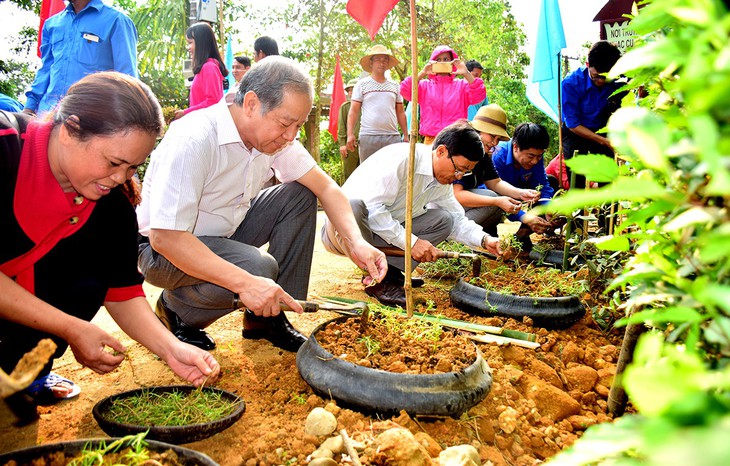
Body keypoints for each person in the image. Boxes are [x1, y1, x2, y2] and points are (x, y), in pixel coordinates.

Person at [0, 72, 220, 423]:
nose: (120, 178)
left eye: (132, 166)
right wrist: (71, 327)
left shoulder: (112, 206)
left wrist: (172, 348)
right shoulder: (5, 145)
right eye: (114, 162)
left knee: (88, 279)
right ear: (71, 130)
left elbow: (122, 292)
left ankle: (21, 368)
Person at [137, 56, 386, 353]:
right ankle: (174, 310)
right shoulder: (195, 138)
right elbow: (166, 237)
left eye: (298, 125)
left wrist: (356, 242)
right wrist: (247, 281)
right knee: (258, 267)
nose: (291, 136)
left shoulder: (273, 139)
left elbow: (327, 188)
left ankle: (268, 318)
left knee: (299, 195)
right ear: (252, 104)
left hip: (224, 234)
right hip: (161, 250)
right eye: (284, 123)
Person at [321, 122, 502, 307]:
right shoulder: (403, 160)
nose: (458, 176)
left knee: (444, 220)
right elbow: (373, 209)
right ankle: (379, 280)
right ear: (440, 151)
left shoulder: (441, 181)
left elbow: (456, 219)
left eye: (465, 172)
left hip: (380, 233)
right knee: (354, 206)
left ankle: (390, 273)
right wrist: (412, 242)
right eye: (459, 168)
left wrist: (485, 240)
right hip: (342, 231)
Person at [23, 0, 137, 117]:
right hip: (48, 114)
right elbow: (46, 69)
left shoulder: (116, 21)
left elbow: (127, 77)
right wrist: (29, 107)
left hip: (91, 116)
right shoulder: (52, 24)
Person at [454, 105, 541, 237]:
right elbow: (456, 194)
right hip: (444, 207)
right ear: (478, 130)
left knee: (498, 202)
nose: (495, 143)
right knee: (493, 198)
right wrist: (496, 201)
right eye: (492, 136)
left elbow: (495, 182)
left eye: (498, 139)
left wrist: (521, 193)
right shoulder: (462, 150)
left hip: (459, 207)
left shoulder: (483, 154)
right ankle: (454, 233)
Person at [562, 40, 624, 189]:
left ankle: (606, 210)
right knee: (577, 178)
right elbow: (573, 124)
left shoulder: (618, 81)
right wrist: (603, 141)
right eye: (596, 76)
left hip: (602, 130)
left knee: (607, 177)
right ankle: (577, 210)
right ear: (587, 65)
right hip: (576, 133)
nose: (601, 81)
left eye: (605, 76)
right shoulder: (571, 83)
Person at [400, 45, 486, 145]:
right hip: (431, 140)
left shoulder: (462, 86)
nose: (442, 62)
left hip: (456, 140)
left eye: (446, 59)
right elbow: (404, 90)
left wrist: (467, 73)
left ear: (452, 61)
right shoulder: (424, 86)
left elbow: (479, 95)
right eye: (438, 59)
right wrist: (422, 73)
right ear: (432, 62)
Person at [491, 123, 559, 248]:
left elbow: (542, 184)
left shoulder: (535, 157)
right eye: (531, 156)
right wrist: (524, 217)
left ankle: (524, 233)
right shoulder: (497, 155)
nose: (535, 161)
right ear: (515, 147)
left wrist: (548, 208)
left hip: (522, 195)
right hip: (498, 197)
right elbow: (493, 193)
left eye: (539, 156)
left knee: (552, 182)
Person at [346, 45, 408, 163]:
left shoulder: (394, 86)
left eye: (385, 60)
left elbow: (400, 111)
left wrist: (405, 135)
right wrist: (350, 134)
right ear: (371, 63)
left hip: (392, 136)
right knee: (368, 173)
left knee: (392, 173)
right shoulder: (362, 84)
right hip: (368, 136)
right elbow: (353, 111)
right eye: (378, 59)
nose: (382, 63)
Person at [174, 22, 228, 120]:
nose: (188, 48)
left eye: (190, 43)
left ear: (201, 44)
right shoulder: (206, 67)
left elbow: (213, 102)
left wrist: (185, 112)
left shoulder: (209, 67)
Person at [338, 78, 360, 182]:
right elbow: (341, 126)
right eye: (349, 90)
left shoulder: (366, 106)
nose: (351, 92)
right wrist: (342, 144)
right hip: (350, 146)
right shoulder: (345, 107)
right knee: (349, 175)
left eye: (354, 89)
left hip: (364, 144)